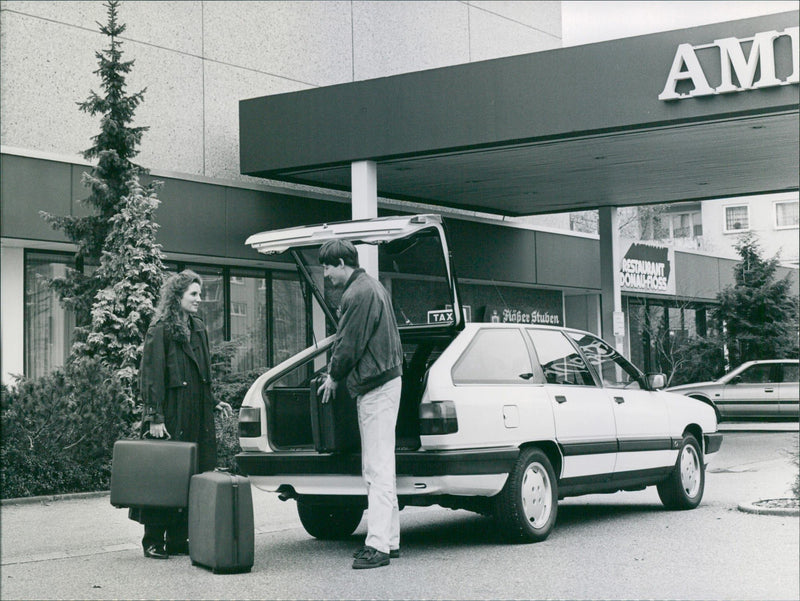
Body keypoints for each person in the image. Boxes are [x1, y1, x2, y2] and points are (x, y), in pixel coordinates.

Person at [132, 269, 233, 559]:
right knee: (164, 475)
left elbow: (202, 372)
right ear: (177, 297)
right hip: (171, 414)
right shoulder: (160, 328)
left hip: (196, 413)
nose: (199, 299)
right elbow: (151, 375)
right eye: (194, 294)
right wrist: (155, 417)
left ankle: (178, 538)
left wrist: (213, 401)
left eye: (200, 294)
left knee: (193, 473)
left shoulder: (197, 327)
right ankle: (153, 540)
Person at [316, 240, 403, 569]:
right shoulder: (372, 286)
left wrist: (333, 376)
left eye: (327, 267)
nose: (326, 274)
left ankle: (378, 546)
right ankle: (389, 540)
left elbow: (348, 343)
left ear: (342, 263)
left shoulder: (357, 293)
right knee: (383, 466)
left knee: (376, 468)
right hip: (385, 380)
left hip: (375, 385)